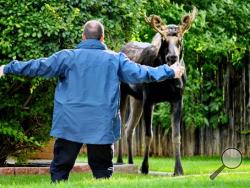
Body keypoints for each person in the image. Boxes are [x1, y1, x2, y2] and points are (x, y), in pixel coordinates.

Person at [0, 20, 185, 182]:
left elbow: (37, 66)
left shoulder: (66, 57)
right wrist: (170, 71)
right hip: (101, 126)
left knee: (59, 173)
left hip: (70, 125)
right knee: (102, 174)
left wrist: (7, 68)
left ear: (83, 37)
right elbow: (142, 72)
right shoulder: (116, 59)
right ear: (102, 38)